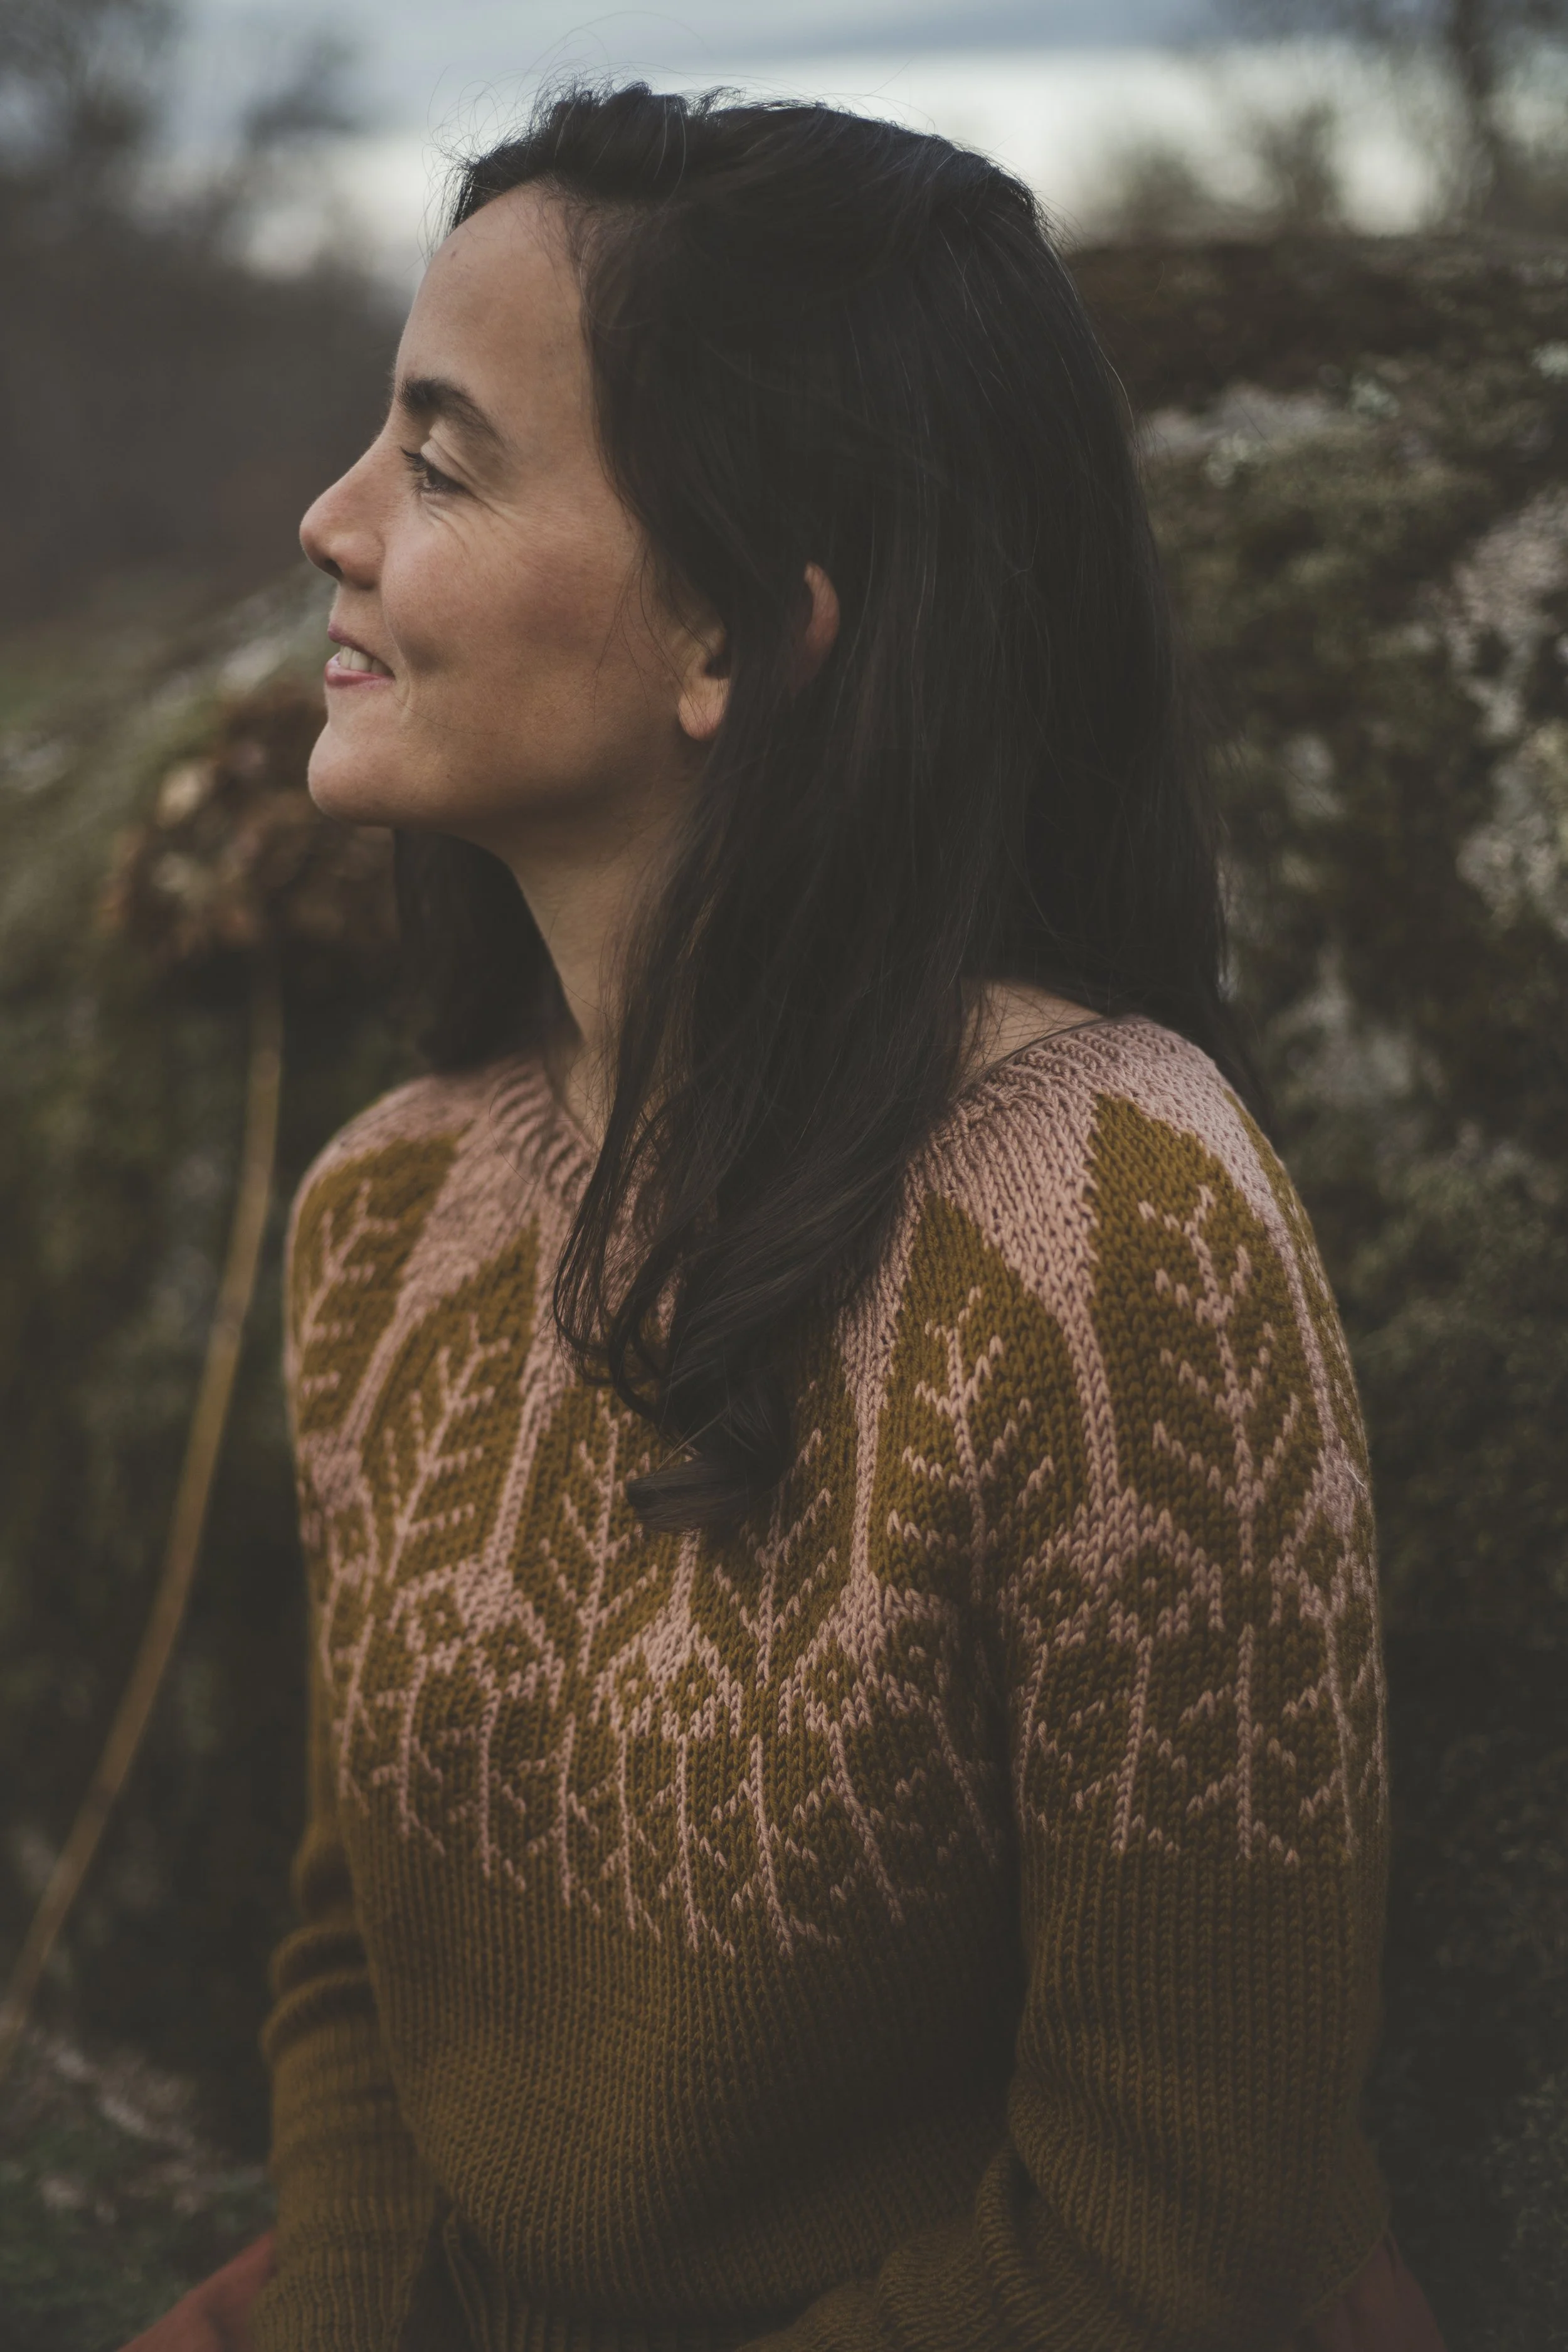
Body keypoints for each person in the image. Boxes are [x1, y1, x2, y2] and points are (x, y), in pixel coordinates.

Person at [128, 83, 1446, 2352]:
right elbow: (356, 1970)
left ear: (739, 631)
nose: (337, 520)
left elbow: (1170, 2234)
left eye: (443, 459)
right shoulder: (388, 1216)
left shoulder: (1119, 1240)